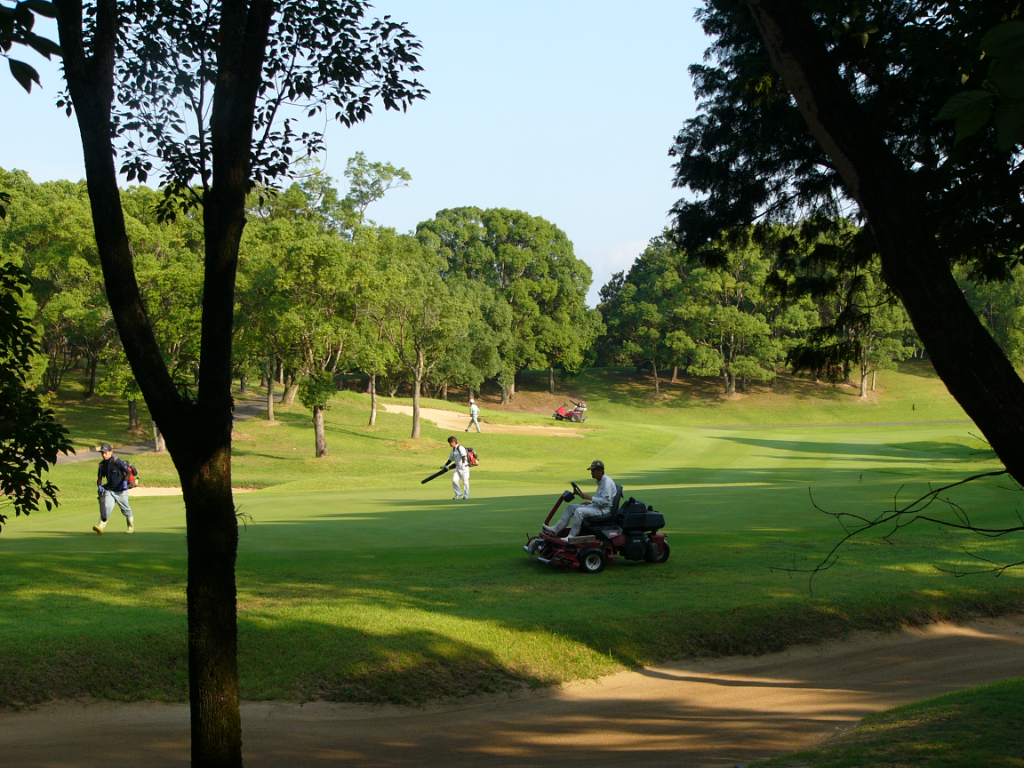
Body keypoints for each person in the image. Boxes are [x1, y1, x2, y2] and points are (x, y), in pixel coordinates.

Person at [544, 460, 615, 539]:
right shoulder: (601, 481)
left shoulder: (607, 483)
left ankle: (571, 536)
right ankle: (555, 530)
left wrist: (589, 497)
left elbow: (605, 502)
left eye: (593, 470)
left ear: (600, 471)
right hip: (597, 507)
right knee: (570, 507)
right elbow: (599, 497)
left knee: (579, 511)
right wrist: (590, 502)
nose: (591, 472)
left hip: (603, 510)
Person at [94, 443, 135, 534]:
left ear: (111, 452)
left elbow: (128, 472)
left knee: (125, 509)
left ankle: (131, 527)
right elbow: (100, 478)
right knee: (106, 508)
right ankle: (100, 527)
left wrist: (125, 481)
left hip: (121, 490)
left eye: (105, 452)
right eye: (102, 453)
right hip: (109, 490)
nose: (104, 454)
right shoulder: (102, 465)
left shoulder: (117, 461)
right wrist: (99, 486)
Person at [444, 435, 471, 500]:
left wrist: (464, 464)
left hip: (464, 467)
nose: (450, 444)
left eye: (450, 443)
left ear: (453, 442)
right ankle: (458, 494)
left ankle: (466, 495)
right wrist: (445, 465)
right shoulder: (453, 450)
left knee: (465, 481)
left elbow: (463, 455)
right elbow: (450, 459)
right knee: (454, 480)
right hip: (457, 468)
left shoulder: (460, 447)